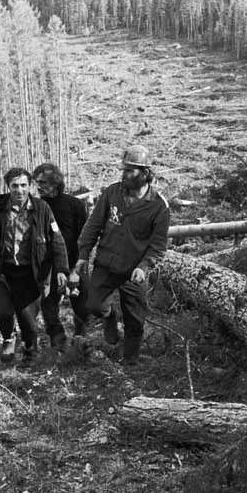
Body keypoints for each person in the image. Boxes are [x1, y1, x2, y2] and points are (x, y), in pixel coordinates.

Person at [75, 145, 170, 365]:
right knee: (93, 306)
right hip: (106, 263)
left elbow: (158, 246)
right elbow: (94, 225)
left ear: (145, 174)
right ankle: (110, 318)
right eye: (124, 169)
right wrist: (83, 254)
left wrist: (144, 267)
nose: (124, 175)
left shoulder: (158, 206)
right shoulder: (112, 192)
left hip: (134, 270)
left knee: (135, 321)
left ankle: (130, 361)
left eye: (130, 171)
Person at [0, 168, 69, 365]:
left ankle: (30, 355)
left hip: (31, 273)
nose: (19, 190)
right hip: (2, 271)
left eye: (24, 185)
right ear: (8, 187)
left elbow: (57, 241)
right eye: (15, 186)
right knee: (0, 311)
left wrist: (61, 269)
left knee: (28, 321)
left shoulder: (42, 209)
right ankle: (9, 337)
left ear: (30, 186)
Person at [32, 163, 90, 347]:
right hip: (48, 268)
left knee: (81, 305)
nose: (39, 186)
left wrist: (76, 269)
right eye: (37, 182)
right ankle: (59, 345)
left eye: (43, 182)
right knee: (49, 308)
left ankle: (82, 342)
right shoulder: (35, 207)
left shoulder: (74, 205)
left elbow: (85, 238)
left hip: (75, 263)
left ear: (55, 182)